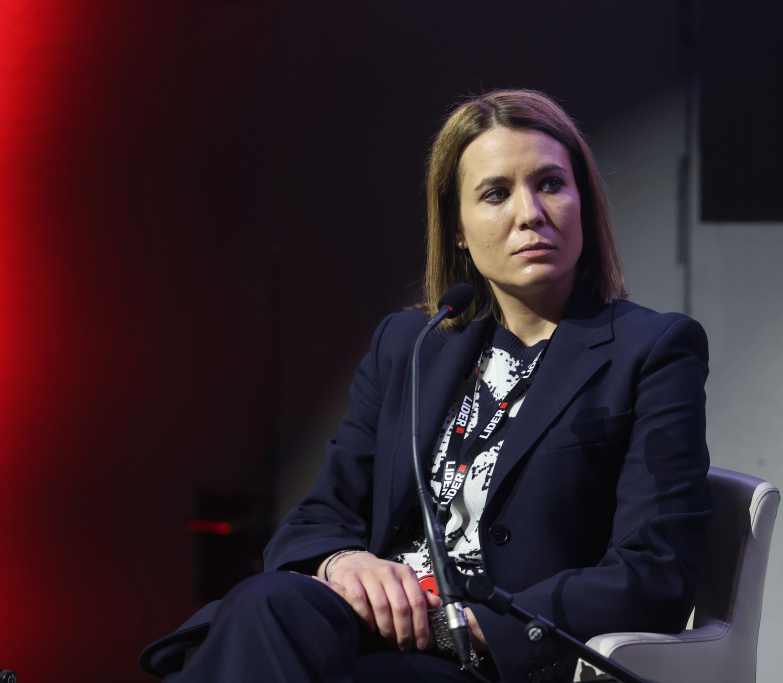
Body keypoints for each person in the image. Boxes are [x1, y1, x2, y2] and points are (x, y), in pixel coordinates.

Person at [140, 89, 712, 683]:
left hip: (490, 658)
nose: (530, 213)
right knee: (268, 604)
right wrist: (344, 562)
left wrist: (469, 625)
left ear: (583, 204)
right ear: (458, 227)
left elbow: (656, 570)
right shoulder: (411, 344)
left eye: (550, 185)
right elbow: (321, 514)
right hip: (369, 632)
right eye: (496, 194)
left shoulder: (650, 350)